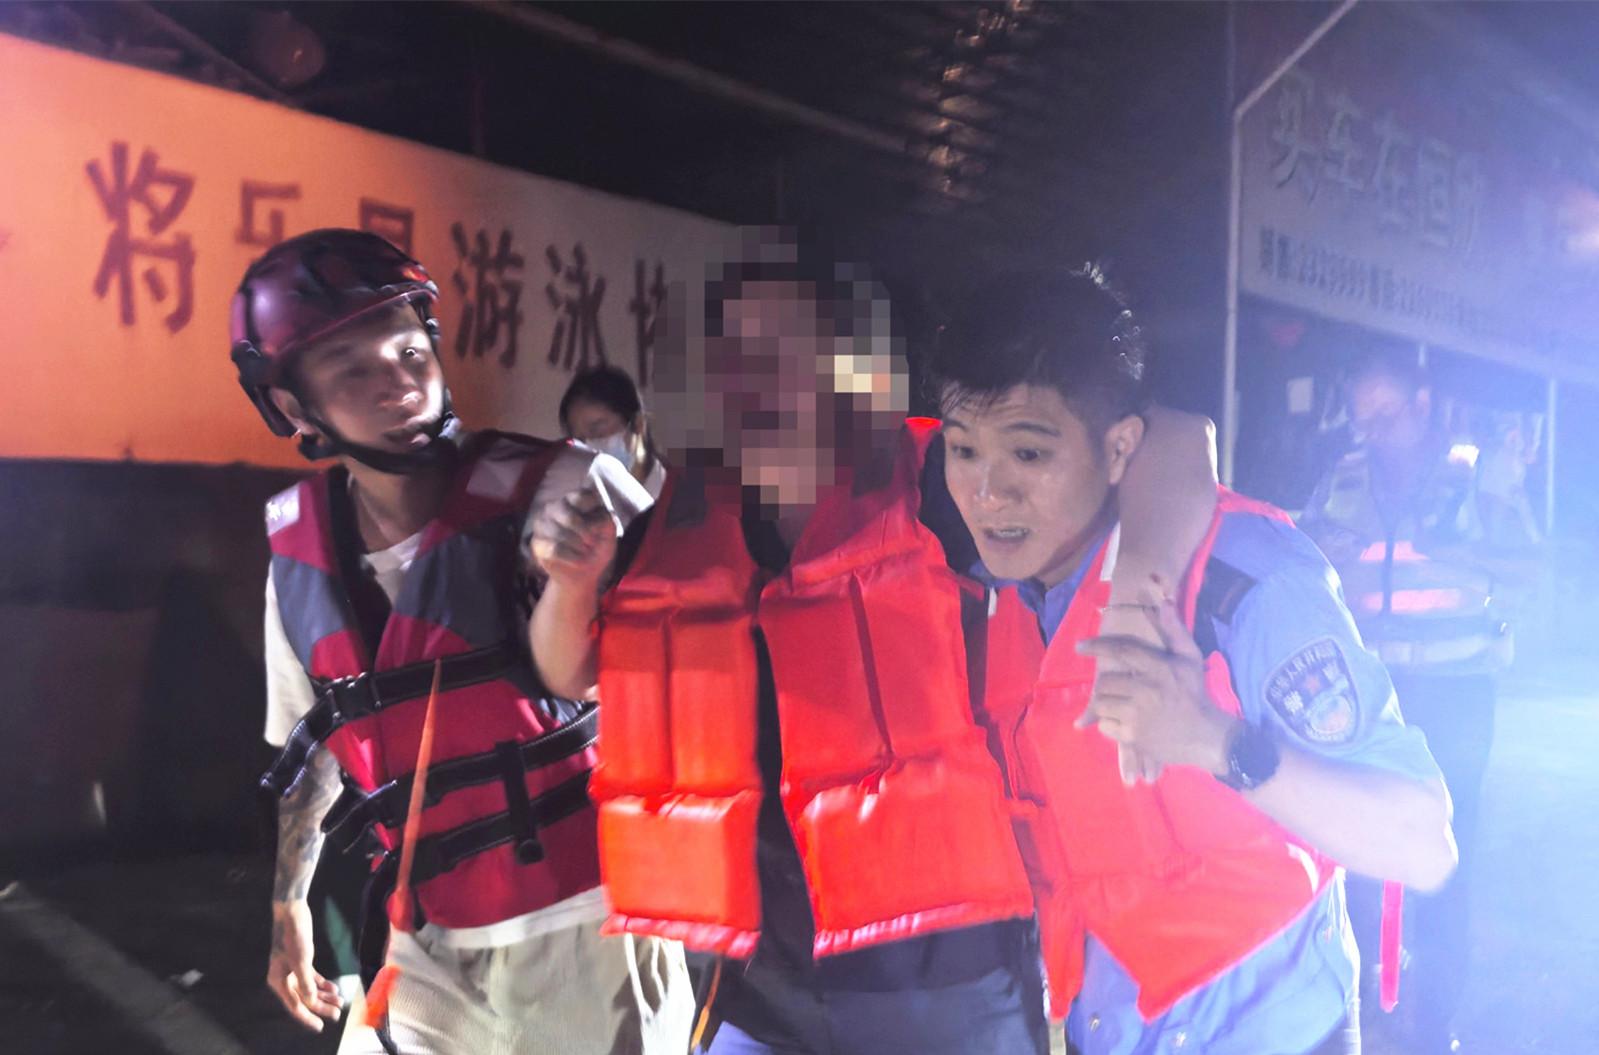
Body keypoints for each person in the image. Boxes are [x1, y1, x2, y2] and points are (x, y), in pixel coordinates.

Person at [529, 233, 1216, 1055]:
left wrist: (1136, 599)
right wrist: (570, 583)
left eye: (789, 351)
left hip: (946, 984)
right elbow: (573, 671)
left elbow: (1177, 439)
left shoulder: (933, 482)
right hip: (758, 991)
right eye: (735, 354)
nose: (759, 380)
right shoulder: (678, 524)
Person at [925, 267, 1458, 1055]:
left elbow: (1421, 842)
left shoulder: (1241, 581)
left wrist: (1217, 741)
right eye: (962, 449)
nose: (986, 491)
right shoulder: (991, 605)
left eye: (1027, 453)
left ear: (1118, 447)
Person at [232, 229, 687, 1054]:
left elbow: (683, 686)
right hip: (424, 933)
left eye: (410, 351)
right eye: (352, 370)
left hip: (591, 921)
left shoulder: (572, 487)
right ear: (295, 408)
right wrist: (287, 902)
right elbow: (319, 741)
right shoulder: (298, 556)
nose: (399, 383)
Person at [1300, 356, 1531, 1054]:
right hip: (1369, 696)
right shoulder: (1343, 476)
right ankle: (1370, 1000)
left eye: (1387, 415)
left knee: (1442, 855)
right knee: (1359, 850)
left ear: (1423, 403)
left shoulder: (1479, 471)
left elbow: (1530, 568)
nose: (1373, 432)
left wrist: (1458, 552)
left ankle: (1434, 1020)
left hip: (1456, 693)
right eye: (1362, 419)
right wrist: (1322, 553)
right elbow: (1300, 556)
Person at [559, 364, 668, 499]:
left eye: (597, 432)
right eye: (580, 441)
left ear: (637, 425)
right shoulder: (582, 499)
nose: (588, 447)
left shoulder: (677, 495)